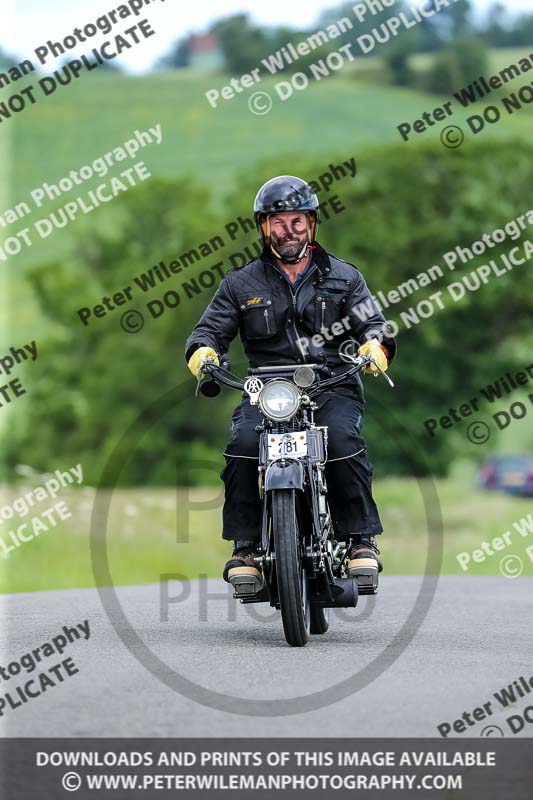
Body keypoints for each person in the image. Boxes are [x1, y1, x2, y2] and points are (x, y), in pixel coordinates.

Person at [185, 175, 396, 591]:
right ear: (264, 228)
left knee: (340, 439)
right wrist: (203, 353)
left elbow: (374, 323)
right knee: (243, 446)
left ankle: (360, 541)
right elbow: (208, 331)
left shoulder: (345, 278)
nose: (288, 232)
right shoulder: (240, 283)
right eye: (279, 223)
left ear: (311, 224)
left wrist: (375, 347)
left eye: (297, 222)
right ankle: (245, 548)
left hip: (331, 384)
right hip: (266, 391)